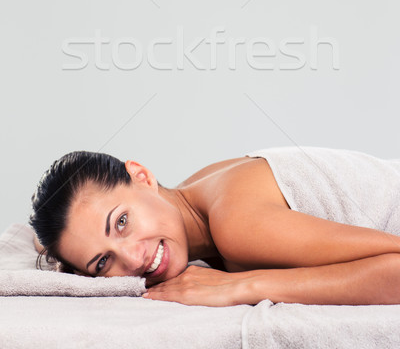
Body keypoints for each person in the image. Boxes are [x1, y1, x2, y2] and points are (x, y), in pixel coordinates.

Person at [29, 149, 400, 307]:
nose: (133, 258)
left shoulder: (235, 224)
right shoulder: (200, 190)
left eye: (122, 222)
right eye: (103, 262)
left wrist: (244, 286)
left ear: (141, 176)